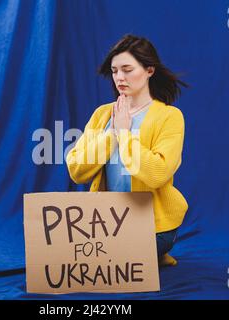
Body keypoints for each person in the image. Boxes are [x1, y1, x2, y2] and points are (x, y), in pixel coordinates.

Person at [66, 34, 188, 267]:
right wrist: (112, 133)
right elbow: (76, 170)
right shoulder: (102, 114)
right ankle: (150, 257)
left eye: (127, 69)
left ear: (149, 70)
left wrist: (125, 135)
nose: (119, 77)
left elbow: (158, 173)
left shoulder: (169, 117)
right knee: (74, 256)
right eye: (114, 71)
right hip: (106, 222)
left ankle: (156, 251)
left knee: (115, 261)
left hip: (153, 226)